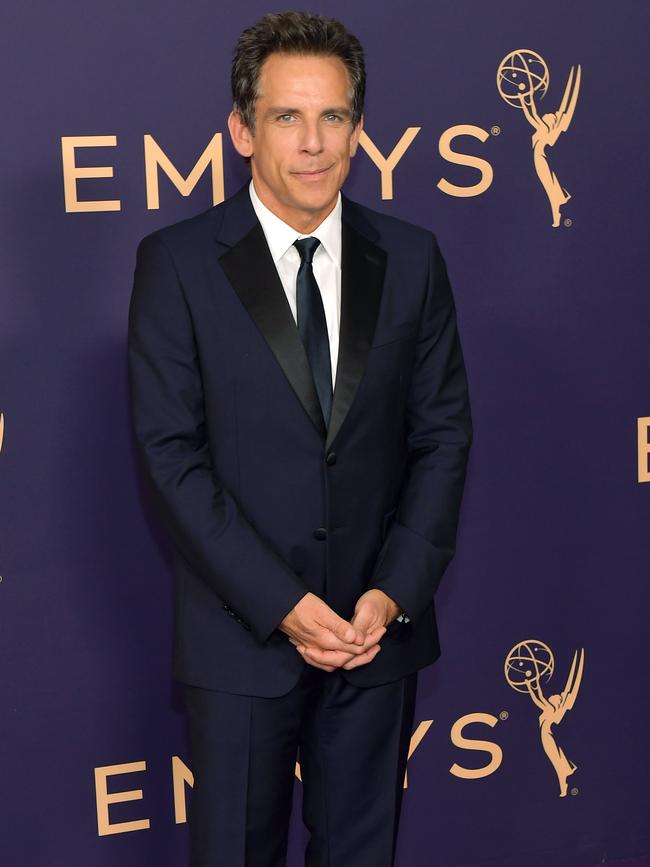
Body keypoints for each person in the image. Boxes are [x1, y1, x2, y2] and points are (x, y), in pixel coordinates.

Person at [127, 11, 472, 867]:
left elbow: (443, 437)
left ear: (357, 128)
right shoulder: (176, 264)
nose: (313, 143)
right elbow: (173, 457)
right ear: (243, 130)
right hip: (243, 639)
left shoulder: (414, 257)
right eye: (287, 117)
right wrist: (285, 606)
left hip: (374, 636)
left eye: (333, 117)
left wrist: (388, 596)